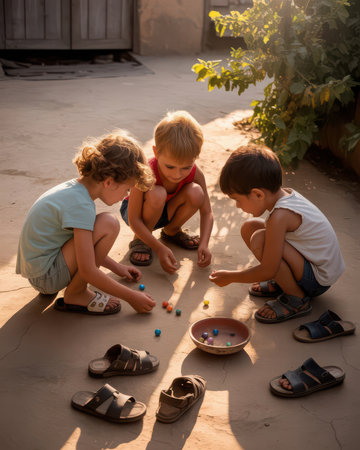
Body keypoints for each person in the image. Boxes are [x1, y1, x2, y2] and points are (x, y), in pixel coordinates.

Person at [16, 130, 156, 314]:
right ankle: (77, 293)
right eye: (127, 189)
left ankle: (77, 290)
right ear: (109, 182)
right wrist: (131, 297)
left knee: (104, 224)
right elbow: (88, 269)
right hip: (46, 277)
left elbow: (85, 249)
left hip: (41, 271)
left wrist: (118, 268)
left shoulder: (75, 190)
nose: (125, 196)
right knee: (109, 224)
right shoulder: (81, 205)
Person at [209, 145, 345, 323]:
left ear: (258, 194)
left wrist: (231, 277)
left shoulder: (280, 217)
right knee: (249, 227)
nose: (237, 206)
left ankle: (297, 298)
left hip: (318, 280)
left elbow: (267, 269)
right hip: (317, 266)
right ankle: (284, 281)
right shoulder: (286, 196)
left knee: (260, 238)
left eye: (237, 200)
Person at [120, 111, 213, 273]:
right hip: (137, 214)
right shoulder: (145, 171)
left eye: (186, 167)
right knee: (158, 193)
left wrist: (204, 243)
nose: (177, 174)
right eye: (170, 166)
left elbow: (207, 212)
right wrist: (158, 248)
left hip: (167, 210)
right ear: (156, 152)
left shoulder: (196, 173)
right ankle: (141, 240)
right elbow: (134, 219)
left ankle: (172, 231)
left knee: (196, 192)